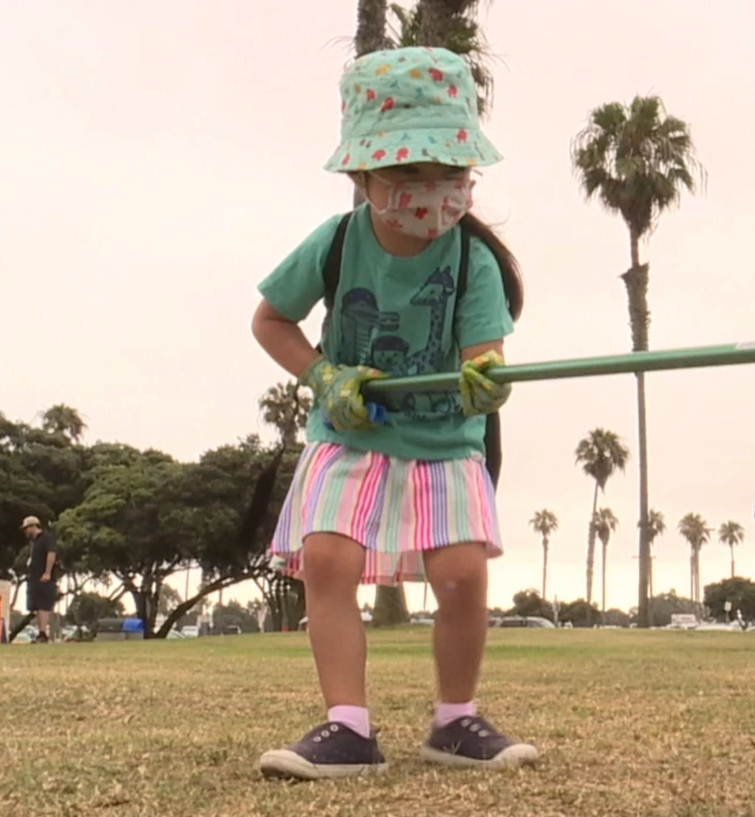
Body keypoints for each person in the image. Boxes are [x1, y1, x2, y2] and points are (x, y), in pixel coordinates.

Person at [251, 46, 535, 781]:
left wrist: (485, 380)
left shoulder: (473, 262)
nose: (432, 191)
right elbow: (270, 322)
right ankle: (347, 725)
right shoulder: (337, 243)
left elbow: (484, 351)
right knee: (327, 557)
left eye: (450, 173)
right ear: (363, 176)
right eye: (409, 171)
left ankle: (455, 721)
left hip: (445, 440)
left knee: (464, 573)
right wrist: (323, 375)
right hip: (350, 436)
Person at [22, 516, 57, 643]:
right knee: (37, 606)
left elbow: (51, 553)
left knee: (43, 605)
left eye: (26, 529)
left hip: (44, 578)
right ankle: (40, 633)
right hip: (34, 578)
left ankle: (43, 634)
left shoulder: (46, 538)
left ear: (33, 526)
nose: (25, 532)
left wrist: (47, 572)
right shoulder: (34, 542)